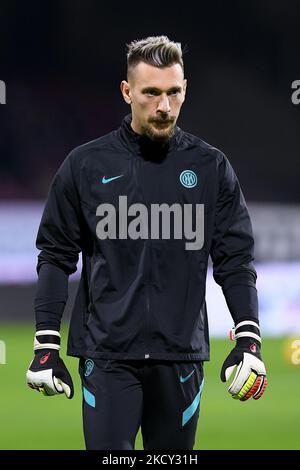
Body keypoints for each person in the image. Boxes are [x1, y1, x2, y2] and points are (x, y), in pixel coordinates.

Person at [26, 35, 267, 450]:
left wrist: (249, 336)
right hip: (107, 357)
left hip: (181, 361)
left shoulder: (210, 167)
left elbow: (235, 260)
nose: (164, 106)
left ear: (185, 88)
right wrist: (46, 343)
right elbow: (55, 254)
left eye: (174, 92)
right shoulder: (85, 165)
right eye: (151, 93)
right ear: (127, 92)